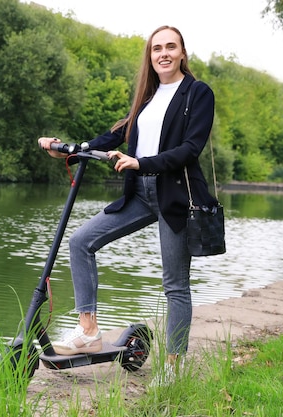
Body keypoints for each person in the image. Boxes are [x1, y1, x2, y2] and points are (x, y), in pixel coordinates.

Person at [37, 26, 217, 367]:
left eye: (170, 47)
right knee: (80, 242)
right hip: (139, 193)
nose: (163, 53)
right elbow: (115, 135)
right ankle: (88, 332)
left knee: (174, 284)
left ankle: (173, 367)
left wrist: (141, 162)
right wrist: (72, 151)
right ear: (150, 56)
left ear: (182, 53)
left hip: (175, 195)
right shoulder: (147, 97)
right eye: (156, 48)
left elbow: (190, 149)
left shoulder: (197, 93)